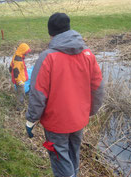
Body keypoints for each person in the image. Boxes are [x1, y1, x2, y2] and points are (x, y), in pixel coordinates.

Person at [25, 12, 104, 177]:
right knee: (73, 153)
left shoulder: (48, 57)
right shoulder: (88, 54)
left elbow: (38, 93)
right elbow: (97, 87)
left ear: (51, 33)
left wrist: (31, 119)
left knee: (60, 158)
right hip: (78, 119)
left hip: (57, 122)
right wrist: (90, 111)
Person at [9, 43, 31, 111]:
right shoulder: (18, 60)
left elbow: (10, 67)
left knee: (20, 93)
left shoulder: (17, 55)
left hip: (19, 79)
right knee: (21, 94)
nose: (27, 54)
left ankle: (20, 106)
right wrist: (19, 81)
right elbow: (16, 71)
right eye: (26, 52)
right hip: (19, 81)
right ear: (23, 51)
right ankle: (19, 108)